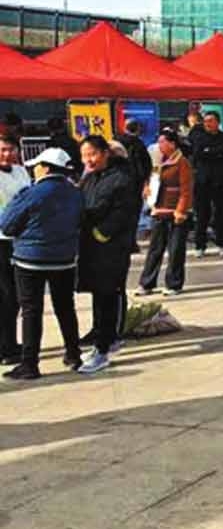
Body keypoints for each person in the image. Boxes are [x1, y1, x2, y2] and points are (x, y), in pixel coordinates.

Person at [0, 148, 83, 380]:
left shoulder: (32, 193)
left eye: (37, 166)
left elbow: (7, 225)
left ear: (45, 168)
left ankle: (30, 364)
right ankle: (73, 354)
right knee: (66, 308)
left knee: (31, 311)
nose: (34, 170)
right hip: (65, 259)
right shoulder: (75, 193)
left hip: (31, 260)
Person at [75, 136, 140, 374]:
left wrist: (102, 233)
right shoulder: (91, 177)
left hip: (111, 247)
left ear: (105, 153)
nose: (88, 160)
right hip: (92, 247)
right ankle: (103, 341)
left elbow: (124, 213)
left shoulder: (122, 179)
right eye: (84, 155)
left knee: (107, 295)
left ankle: (102, 350)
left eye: (92, 154)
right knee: (99, 294)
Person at [138, 129, 194, 296]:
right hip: (158, 209)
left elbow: (186, 189)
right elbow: (151, 179)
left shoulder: (182, 162)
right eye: (159, 142)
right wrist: (146, 188)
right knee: (155, 249)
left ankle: (174, 284)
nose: (160, 145)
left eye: (163, 142)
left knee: (175, 250)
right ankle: (147, 283)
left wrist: (181, 210)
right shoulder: (158, 160)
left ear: (172, 144)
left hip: (175, 211)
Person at [0, 135, 31, 365]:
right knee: (5, 296)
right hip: (1, 240)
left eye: (11, 149)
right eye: (2, 150)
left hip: (19, 239)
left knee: (17, 296)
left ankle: (10, 341)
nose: (7, 154)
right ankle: (6, 347)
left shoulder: (21, 172)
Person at [191, 111, 223, 258]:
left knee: (221, 213)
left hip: (221, 181)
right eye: (205, 121)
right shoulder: (199, 137)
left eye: (211, 121)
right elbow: (198, 155)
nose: (207, 124)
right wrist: (214, 152)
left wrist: (209, 151)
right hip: (203, 181)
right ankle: (200, 245)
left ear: (217, 122)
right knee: (202, 214)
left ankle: (222, 244)